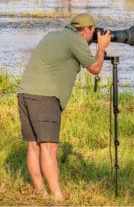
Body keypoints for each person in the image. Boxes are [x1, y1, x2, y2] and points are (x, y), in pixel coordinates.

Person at [17, 13, 111, 201]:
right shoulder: (75, 40)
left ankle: (41, 193)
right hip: (45, 98)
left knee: (34, 146)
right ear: (86, 29)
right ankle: (57, 197)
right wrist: (101, 48)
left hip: (25, 93)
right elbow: (95, 68)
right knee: (49, 148)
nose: (94, 36)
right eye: (93, 32)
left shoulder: (54, 35)